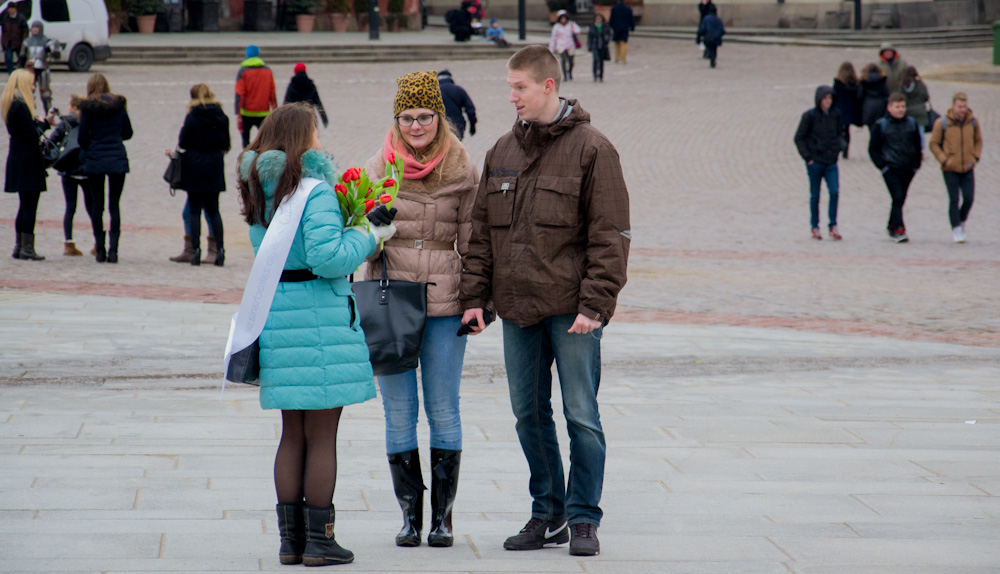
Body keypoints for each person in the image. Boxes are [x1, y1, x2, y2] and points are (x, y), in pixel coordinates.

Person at [459, 45, 631, 557]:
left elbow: (611, 235)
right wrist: (476, 299)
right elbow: (481, 234)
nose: (511, 96)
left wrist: (595, 305)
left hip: (573, 311)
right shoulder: (501, 152)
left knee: (581, 414)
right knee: (527, 414)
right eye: (509, 87)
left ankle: (583, 518)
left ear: (548, 86)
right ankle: (547, 512)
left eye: (519, 87)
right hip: (517, 310)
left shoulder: (593, 149)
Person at [236, 103, 396, 567]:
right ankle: (321, 541)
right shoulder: (314, 191)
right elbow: (329, 259)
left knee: (292, 432)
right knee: (322, 435)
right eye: (316, 133)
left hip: (278, 314)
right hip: (319, 319)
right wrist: (371, 232)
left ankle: (291, 543)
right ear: (304, 139)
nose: (321, 140)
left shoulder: (259, 188)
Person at [362, 70, 478, 549]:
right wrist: (372, 227)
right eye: (407, 117)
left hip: (446, 301)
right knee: (398, 411)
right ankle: (410, 516)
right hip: (390, 299)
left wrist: (477, 300)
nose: (415, 126)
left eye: (424, 116)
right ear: (396, 118)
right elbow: (359, 245)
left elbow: (474, 241)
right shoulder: (377, 168)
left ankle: (442, 519)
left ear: (440, 117)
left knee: (444, 409)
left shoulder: (463, 169)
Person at [166, 83, 230, 266]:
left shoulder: (192, 116)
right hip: (214, 165)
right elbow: (226, 143)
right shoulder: (222, 116)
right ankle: (220, 250)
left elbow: (183, 142)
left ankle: (195, 251)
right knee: (214, 210)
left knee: (194, 210)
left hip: (194, 165)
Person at [78, 73, 133, 263]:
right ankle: (114, 251)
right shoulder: (118, 105)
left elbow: (82, 138)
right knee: (114, 205)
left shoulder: (87, 108)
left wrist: (93, 144)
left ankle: (100, 249)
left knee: (97, 205)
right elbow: (128, 132)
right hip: (117, 157)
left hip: (95, 159)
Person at [3, 68, 52, 260]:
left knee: (24, 205)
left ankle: (19, 245)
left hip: (18, 159)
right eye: (32, 84)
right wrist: (44, 123)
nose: (34, 87)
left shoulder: (12, 104)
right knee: (30, 204)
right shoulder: (20, 106)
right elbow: (32, 134)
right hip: (27, 161)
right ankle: (27, 248)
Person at [869, 92, 922, 243]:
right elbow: (873, 149)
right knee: (898, 196)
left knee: (900, 198)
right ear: (890, 107)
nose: (900, 110)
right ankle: (899, 229)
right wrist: (882, 166)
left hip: (908, 168)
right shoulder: (881, 125)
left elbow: (918, 145)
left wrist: (916, 164)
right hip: (891, 168)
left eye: (903, 106)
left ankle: (891, 225)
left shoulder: (911, 123)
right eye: (897, 107)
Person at [929, 92, 982, 243]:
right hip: (950, 168)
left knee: (969, 197)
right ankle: (956, 228)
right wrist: (944, 160)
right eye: (959, 106)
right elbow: (934, 144)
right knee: (954, 199)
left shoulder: (973, 122)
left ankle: (961, 220)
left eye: (964, 106)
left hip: (967, 166)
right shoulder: (943, 123)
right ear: (953, 106)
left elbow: (978, 141)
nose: (962, 109)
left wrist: (975, 156)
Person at [44, 94, 91, 256]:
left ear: (76, 107)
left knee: (70, 207)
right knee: (93, 207)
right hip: (86, 170)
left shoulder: (65, 122)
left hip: (67, 169)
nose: (68, 108)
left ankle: (68, 243)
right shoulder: (89, 122)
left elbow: (52, 141)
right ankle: (99, 242)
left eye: (70, 105)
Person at [794, 86, 843, 241]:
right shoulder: (809, 116)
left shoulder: (836, 115)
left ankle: (833, 225)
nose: (828, 101)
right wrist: (808, 158)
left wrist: (838, 149)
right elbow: (799, 138)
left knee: (834, 192)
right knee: (815, 195)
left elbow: (840, 133)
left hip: (831, 162)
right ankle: (814, 226)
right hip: (815, 162)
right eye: (825, 98)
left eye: (830, 98)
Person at [235, 45, 277, 148]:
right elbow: (272, 93)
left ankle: (246, 162)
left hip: (246, 113)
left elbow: (239, 94)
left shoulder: (243, 71)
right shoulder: (267, 70)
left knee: (245, 143)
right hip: (263, 112)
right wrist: (275, 110)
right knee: (266, 142)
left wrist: (238, 114)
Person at [20, 21, 59, 114]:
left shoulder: (46, 41)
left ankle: (49, 114)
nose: (35, 29)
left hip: (43, 68)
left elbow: (56, 55)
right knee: (28, 93)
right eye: (33, 27)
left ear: (40, 29)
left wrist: (51, 49)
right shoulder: (27, 42)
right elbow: (22, 56)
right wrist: (20, 68)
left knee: (46, 94)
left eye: (37, 28)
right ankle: (28, 113)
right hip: (30, 69)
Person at [283, 62, 328, 129]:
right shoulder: (310, 85)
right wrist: (324, 118)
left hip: (296, 117)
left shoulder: (292, 85)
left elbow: (286, 103)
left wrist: (283, 120)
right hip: (309, 116)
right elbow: (318, 102)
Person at [437, 69, 476, 141]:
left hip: (439, 126)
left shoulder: (434, 91)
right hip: (457, 125)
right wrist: (472, 126)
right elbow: (470, 109)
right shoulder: (459, 90)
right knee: (455, 148)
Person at [832, 62, 860, 159]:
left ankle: (840, 147)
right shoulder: (856, 83)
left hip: (840, 109)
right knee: (847, 130)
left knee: (839, 130)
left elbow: (834, 96)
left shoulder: (838, 83)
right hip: (850, 110)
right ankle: (845, 150)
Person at [549, 11, 581, 82]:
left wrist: (573, 29)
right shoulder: (556, 27)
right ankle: (565, 75)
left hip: (570, 45)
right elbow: (553, 38)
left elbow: (578, 30)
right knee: (563, 60)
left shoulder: (571, 24)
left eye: (564, 18)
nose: (563, 20)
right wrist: (551, 49)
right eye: (561, 18)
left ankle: (569, 72)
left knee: (571, 61)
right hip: (561, 45)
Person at [857, 63, 888, 130]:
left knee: (871, 129)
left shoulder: (864, 81)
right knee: (880, 128)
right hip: (880, 106)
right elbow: (886, 94)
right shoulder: (882, 80)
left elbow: (860, 95)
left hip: (868, 106)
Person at [1, 2, 28, 75]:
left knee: (21, 59)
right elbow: (3, 31)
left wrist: (24, 41)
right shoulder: (5, 17)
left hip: (18, 42)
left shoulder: (21, 18)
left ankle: (21, 73)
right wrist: (3, 42)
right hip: (8, 42)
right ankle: (11, 74)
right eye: (9, 9)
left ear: (15, 9)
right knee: (8, 59)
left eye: (12, 8)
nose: (11, 10)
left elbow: (25, 30)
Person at [900, 66, 929, 131]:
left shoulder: (903, 86)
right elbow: (926, 97)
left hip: (908, 113)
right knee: (920, 137)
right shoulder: (920, 84)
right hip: (920, 113)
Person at [587, 13, 611, 82]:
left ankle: (600, 75)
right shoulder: (592, 27)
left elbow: (609, 34)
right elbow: (589, 38)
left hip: (602, 46)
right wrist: (589, 46)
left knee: (601, 61)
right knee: (596, 59)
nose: (598, 20)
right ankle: (595, 75)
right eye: (597, 19)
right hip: (595, 46)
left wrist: (607, 40)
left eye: (599, 19)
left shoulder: (605, 27)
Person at [608, 0, 634, 64]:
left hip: (616, 28)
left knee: (617, 43)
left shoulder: (614, 8)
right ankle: (623, 59)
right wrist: (632, 27)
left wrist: (611, 26)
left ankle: (617, 57)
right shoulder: (628, 9)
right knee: (624, 43)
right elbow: (631, 19)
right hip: (625, 28)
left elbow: (611, 19)